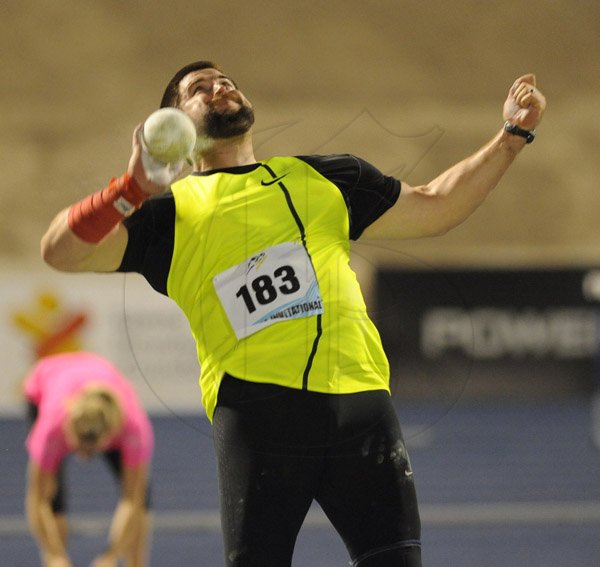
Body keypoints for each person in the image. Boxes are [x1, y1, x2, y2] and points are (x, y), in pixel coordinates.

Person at [40, 61, 546, 566]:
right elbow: (61, 252)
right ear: (174, 126)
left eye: (225, 80)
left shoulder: (324, 177)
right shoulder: (168, 216)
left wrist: (513, 135)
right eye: (199, 89)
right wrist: (129, 190)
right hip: (259, 416)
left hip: (362, 405)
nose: (220, 87)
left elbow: (438, 206)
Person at [24, 351, 154, 567]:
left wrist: (110, 557)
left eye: (90, 449)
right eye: (78, 446)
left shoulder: (133, 427)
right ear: (69, 432)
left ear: (108, 439)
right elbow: (37, 500)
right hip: (45, 378)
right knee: (53, 498)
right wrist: (55, 556)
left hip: (102, 379)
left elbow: (133, 500)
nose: (82, 455)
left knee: (143, 502)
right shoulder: (51, 428)